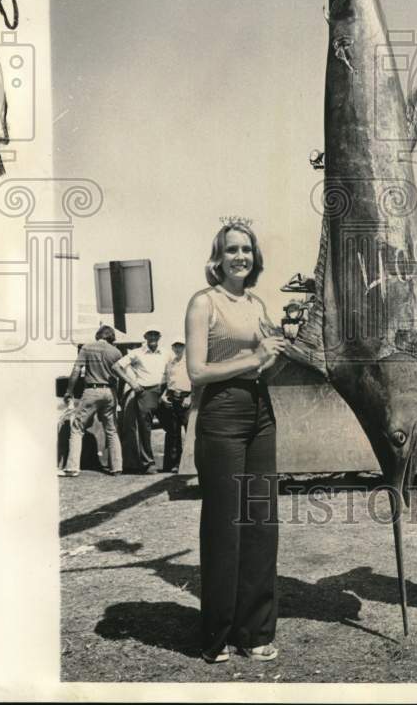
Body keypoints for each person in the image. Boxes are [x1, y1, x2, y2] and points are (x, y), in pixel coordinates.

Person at [186, 222, 286, 664]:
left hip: (261, 412)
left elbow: (264, 369)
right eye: (231, 250)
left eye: (246, 249)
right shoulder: (203, 303)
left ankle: (256, 632)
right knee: (227, 526)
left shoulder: (258, 303)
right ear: (218, 258)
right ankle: (217, 635)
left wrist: (277, 357)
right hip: (221, 414)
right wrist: (254, 358)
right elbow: (197, 371)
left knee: (262, 524)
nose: (240, 256)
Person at [59, 324, 128, 477]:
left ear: (98, 336)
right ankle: (117, 467)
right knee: (111, 430)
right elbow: (122, 374)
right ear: (111, 338)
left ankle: (72, 467)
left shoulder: (87, 348)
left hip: (92, 390)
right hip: (110, 392)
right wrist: (119, 395)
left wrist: (69, 391)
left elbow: (77, 370)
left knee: (77, 427)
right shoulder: (116, 351)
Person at [114, 327, 167, 474]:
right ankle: (148, 463)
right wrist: (132, 383)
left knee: (172, 426)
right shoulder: (136, 353)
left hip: (164, 392)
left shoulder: (165, 352)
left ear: (160, 336)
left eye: (155, 334)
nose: (153, 337)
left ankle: (172, 463)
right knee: (145, 428)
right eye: (150, 334)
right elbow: (116, 366)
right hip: (146, 392)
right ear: (145, 336)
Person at [159, 339, 191, 472]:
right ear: (172, 347)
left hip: (186, 397)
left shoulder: (190, 362)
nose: (178, 348)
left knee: (189, 432)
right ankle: (175, 463)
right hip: (172, 397)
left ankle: (191, 464)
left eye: (181, 346)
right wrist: (164, 395)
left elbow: (197, 381)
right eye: (176, 346)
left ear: (185, 347)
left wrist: (190, 397)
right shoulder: (170, 363)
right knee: (173, 432)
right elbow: (168, 382)